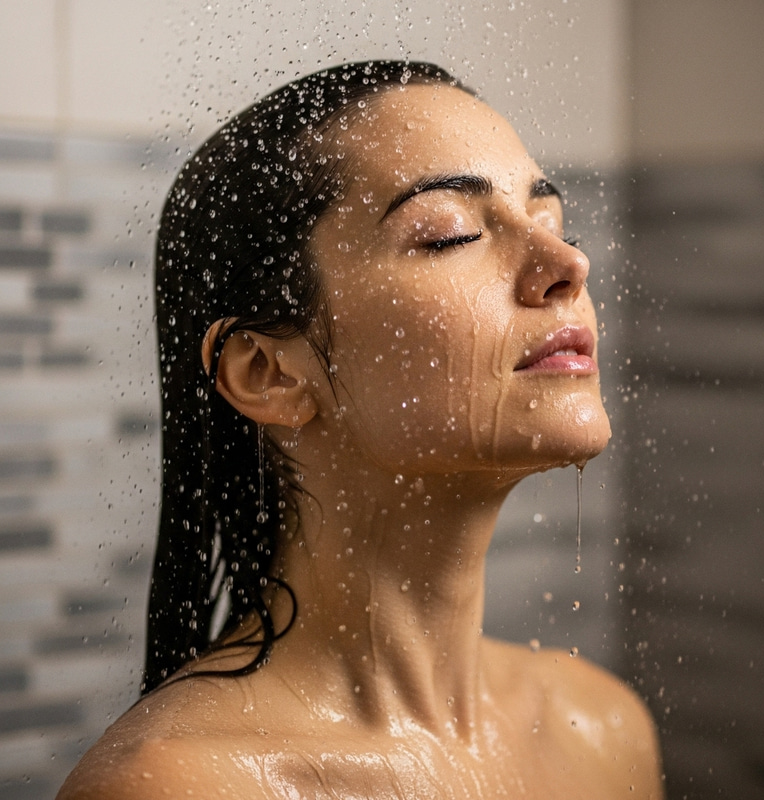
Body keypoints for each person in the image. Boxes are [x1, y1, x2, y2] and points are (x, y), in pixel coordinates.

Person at [57, 60, 663, 799]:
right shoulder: (176, 786)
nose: (567, 264)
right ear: (267, 374)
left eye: (551, 223)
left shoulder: (602, 729)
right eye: (449, 234)